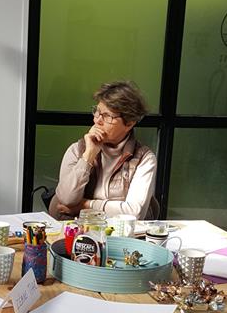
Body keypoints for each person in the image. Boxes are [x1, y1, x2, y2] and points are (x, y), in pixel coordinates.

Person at [49, 80, 157, 220]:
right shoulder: (77, 150)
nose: (97, 120)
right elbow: (66, 200)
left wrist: (85, 205)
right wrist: (88, 156)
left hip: (120, 232)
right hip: (79, 229)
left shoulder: (144, 159)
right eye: (97, 112)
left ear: (129, 123)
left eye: (107, 116)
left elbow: (134, 213)